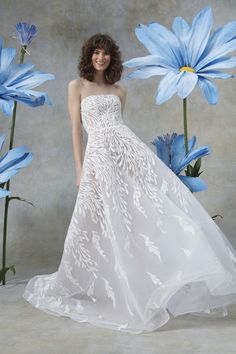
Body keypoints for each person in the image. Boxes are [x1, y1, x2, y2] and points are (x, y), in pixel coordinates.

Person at [22, 33, 236, 334]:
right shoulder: (77, 87)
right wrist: (80, 170)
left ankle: (147, 284)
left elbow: (119, 130)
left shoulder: (119, 91)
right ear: (89, 55)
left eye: (106, 53)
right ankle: (92, 282)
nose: (101, 57)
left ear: (112, 58)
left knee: (140, 215)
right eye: (96, 52)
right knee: (91, 223)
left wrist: (137, 167)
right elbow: (77, 131)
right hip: (97, 157)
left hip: (127, 154)